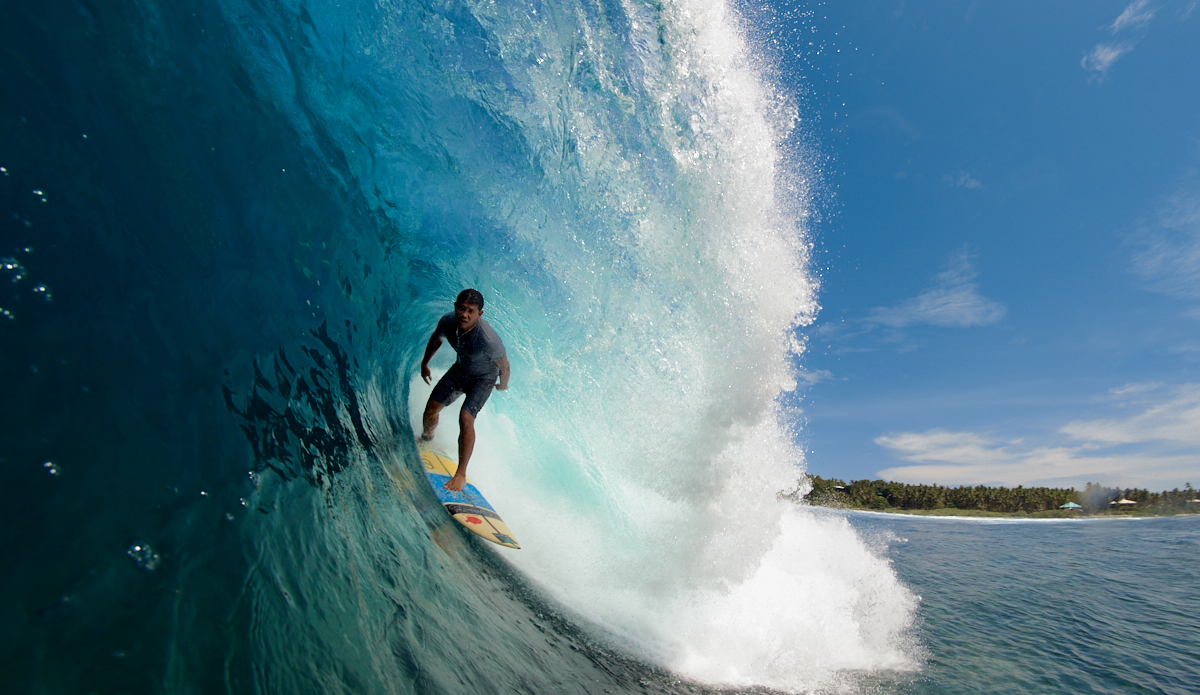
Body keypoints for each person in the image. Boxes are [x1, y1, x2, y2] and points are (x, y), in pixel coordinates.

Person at [419, 289, 510, 491]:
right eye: (461, 308)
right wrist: (425, 363)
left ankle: (461, 474)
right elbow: (437, 338)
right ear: (455, 306)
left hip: (483, 379)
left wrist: (503, 384)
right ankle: (426, 439)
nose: (464, 314)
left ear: (479, 314)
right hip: (460, 371)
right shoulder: (448, 322)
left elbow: (504, 365)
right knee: (431, 409)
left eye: (470, 311)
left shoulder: (488, 340)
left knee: (466, 417)